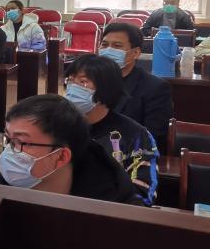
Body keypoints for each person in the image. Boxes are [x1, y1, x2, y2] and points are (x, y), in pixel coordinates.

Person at [0, 94, 144, 206]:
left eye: (21, 142)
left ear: (62, 156)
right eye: (8, 139)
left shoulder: (115, 208)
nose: (9, 151)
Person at [65, 55, 158, 205]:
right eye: (70, 81)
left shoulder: (135, 135)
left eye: (83, 82)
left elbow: (143, 193)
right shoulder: (56, 128)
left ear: (106, 88)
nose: (72, 87)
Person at [98, 23, 172, 154]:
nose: (108, 50)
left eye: (117, 46)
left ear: (136, 53)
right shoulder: (90, 82)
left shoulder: (155, 88)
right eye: (104, 45)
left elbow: (152, 138)